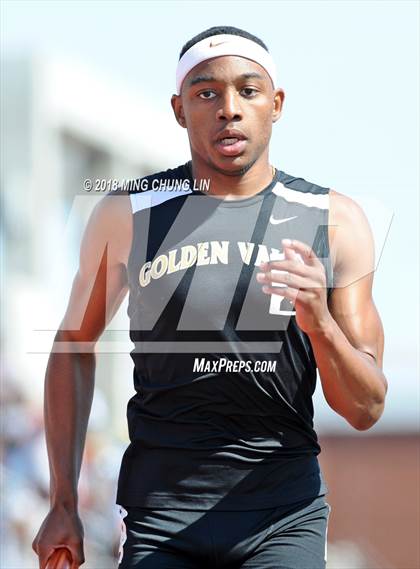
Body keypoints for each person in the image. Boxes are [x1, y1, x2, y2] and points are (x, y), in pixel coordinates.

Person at [32, 25, 388, 569]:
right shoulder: (127, 215)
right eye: (206, 93)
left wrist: (319, 323)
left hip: (282, 513)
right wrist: (62, 503)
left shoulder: (334, 222)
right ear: (179, 110)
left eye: (248, 90)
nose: (229, 108)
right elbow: (73, 345)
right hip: (161, 516)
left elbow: (365, 408)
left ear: (277, 104)